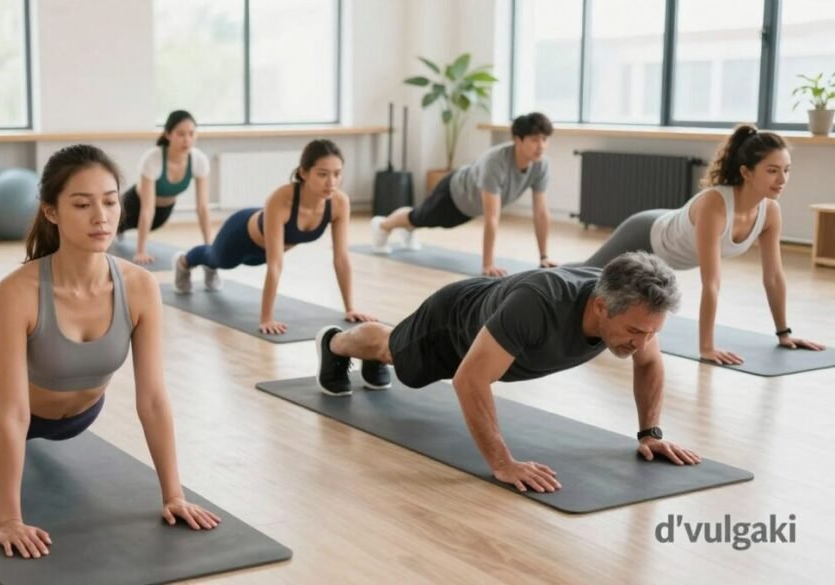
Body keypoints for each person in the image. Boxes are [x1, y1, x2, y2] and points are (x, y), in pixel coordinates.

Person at [0, 144, 220, 560]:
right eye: (82, 204)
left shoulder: (140, 286)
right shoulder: (17, 291)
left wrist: (174, 495)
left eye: (110, 201)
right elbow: (14, 413)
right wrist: (9, 520)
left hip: (79, 418)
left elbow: (151, 398)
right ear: (51, 211)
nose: (102, 216)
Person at [314, 252, 702, 493]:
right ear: (600, 307)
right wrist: (502, 462)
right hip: (451, 324)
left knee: (395, 353)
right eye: (635, 331)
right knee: (393, 353)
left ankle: (375, 349)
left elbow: (650, 363)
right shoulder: (539, 306)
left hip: (495, 322)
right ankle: (334, 343)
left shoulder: (634, 314)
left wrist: (650, 433)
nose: (642, 341)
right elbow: (469, 380)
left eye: (652, 332)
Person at [579, 124, 825, 365]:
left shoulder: (770, 211)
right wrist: (706, 348)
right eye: (772, 170)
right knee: (582, 276)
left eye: (787, 170)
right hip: (645, 234)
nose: (782, 179)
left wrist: (784, 333)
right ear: (746, 172)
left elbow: (773, 277)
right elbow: (711, 282)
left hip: (672, 240)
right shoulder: (715, 205)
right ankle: (545, 274)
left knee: (586, 279)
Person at [173, 139, 377, 335]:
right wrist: (266, 318)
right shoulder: (282, 199)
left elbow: (341, 258)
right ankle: (184, 261)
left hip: (265, 251)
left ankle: (209, 268)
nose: (331, 182)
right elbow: (276, 264)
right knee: (216, 259)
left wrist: (350, 308)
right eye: (323, 174)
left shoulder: (339, 203)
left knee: (220, 261)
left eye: (337, 174)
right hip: (240, 237)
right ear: (303, 173)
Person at [370, 112, 557, 275]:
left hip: (469, 207)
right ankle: (383, 225)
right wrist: (488, 264)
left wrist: (544, 257)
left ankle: (407, 228)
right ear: (518, 140)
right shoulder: (495, 163)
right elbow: (492, 217)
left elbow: (540, 213)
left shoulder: (541, 165)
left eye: (544, 139)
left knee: (429, 221)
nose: (541, 145)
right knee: (419, 217)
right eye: (534, 139)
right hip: (452, 193)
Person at [117, 110, 211, 265]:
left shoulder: (198, 160)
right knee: (115, 225)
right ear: (168, 134)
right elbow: (147, 209)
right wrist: (140, 252)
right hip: (133, 204)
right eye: (181, 134)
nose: (187, 139)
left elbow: (202, 207)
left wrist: (209, 247)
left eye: (191, 133)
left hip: (163, 212)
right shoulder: (153, 158)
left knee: (144, 226)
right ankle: (118, 231)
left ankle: (120, 231)